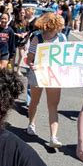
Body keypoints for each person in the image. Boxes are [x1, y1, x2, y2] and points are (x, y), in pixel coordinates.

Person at [26, 13, 67, 147]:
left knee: (53, 105)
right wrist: (31, 64)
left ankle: (53, 137)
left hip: (54, 76)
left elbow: (67, 57)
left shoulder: (62, 38)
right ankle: (31, 123)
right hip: (38, 74)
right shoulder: (37, 38)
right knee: (35, 101)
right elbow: (30, 58)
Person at [11, 8, 29, 75]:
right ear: (18, 13)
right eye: (21, 12)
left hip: (22, 41)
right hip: (14, 40)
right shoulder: (14, 21)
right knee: (14, 56)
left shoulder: (26, 22)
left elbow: (28, 31)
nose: (22, 14)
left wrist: (24, 34)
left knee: (21, 55)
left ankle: (18, 70)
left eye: (23, 12)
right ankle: (12, 70)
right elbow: (10, 31)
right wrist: (17, 34)